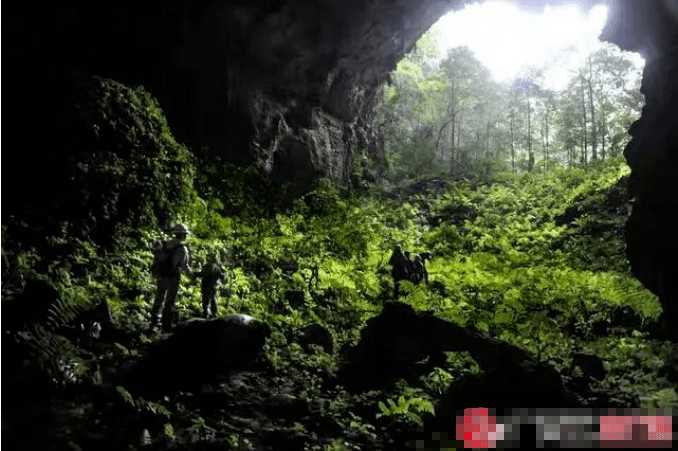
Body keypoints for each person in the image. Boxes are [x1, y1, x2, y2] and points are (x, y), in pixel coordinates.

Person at [150, 224, 193, 332]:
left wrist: (156, 273)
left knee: (159, 298)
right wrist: (192, 276)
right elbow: (184, 266)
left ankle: (154, 322)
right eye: (185, 234)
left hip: (162, 275)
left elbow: (157, 259)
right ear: (183, 235)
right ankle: (166, 325)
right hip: (173, 276)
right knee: (170, 301)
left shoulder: (164, 244)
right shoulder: (182, 249)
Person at [193, 252, 226, 319]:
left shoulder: (208, 266)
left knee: (207, 301)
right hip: (212, 286)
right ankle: (212, 314)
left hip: (207, 286)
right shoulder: (216, 267)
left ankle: (208, 314)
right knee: (211, 300)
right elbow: (221, 276)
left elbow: (202, 274)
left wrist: (195, 274)